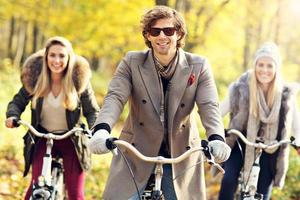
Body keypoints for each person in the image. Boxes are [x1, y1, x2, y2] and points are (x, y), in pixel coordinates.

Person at [88, 5, 231, 200]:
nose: (162, 36)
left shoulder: (199, 65)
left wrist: (217, 137)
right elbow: (115, 97)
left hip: (180, 152)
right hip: (136, 149)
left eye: (169, 30)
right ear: (147, 36)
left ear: (179, 34)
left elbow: (209, 106)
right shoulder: (132, 61)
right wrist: (101, 130)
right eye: (155, 31)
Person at [5, 36, 100, 200]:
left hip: (71, 140)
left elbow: (92, 112)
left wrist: (96, 129)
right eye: (53, 55)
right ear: (46, 57)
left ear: (69, 58)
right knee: (34, 192)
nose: (57, 60)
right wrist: (13, 116)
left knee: (76, 194)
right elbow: (17, 102)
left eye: (62, 56)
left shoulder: (78, 82)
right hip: (43, 138)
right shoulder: (35, 80)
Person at [218, 42, 300, 200]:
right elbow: (218, 112)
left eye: (270, 65)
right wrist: (214, 133)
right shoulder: (240, 88)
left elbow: (297, 124)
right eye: (260, 65)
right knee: (228, 181)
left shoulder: (285, 94)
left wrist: (298, 142)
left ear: (276, 68)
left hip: (270, 147)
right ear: (255, 65)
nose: (264, 70)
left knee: (263, 193)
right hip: (241, 142)